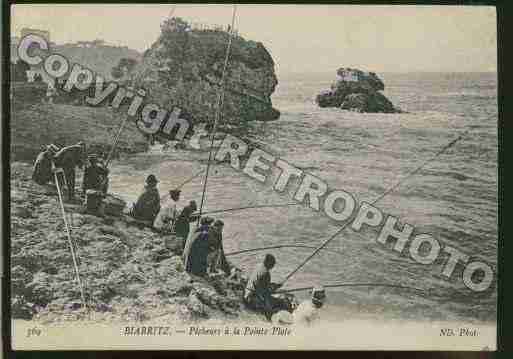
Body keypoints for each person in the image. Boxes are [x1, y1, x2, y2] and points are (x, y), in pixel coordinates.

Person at [243, 254, 285, 320]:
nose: (273, 266)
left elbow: (262, 285)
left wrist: (275, 286)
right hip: (252, 299)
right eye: (272, 264)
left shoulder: (259, 267)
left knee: (273, 300)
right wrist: (277, 286)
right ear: (268, 263)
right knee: (277, 305)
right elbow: (265, 291)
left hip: (247, 295)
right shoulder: (266, 273)